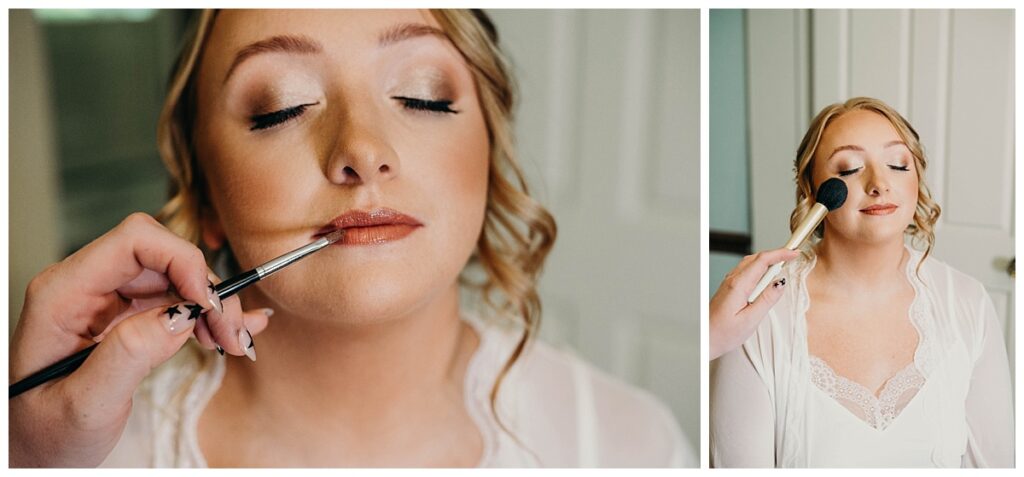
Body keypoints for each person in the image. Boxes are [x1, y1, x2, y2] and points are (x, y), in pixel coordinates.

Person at [9, 9, 692, 467]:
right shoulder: (77, 447)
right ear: (207, 194)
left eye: (422, 94)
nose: (362, 150)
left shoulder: (633, 445)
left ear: (488, 150)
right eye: (280, 107)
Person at [710, 97, 1013, 467]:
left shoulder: (968, 302)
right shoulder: (757, 316)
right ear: (812, 189)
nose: (879, 183)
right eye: (850, 169)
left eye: (898, 164)